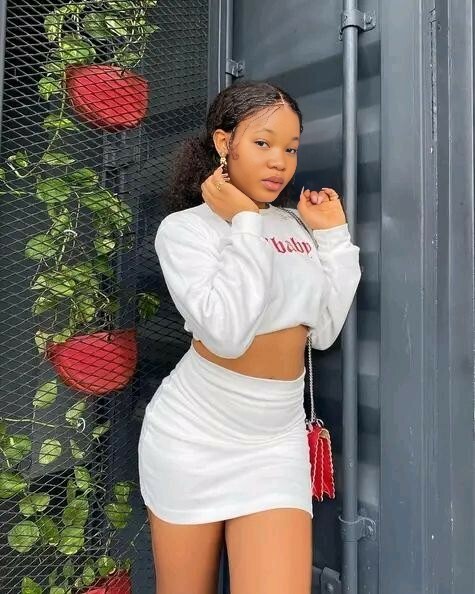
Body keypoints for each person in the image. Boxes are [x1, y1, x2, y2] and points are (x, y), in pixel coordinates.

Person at [138, 80, 361, 594]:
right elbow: (228, 334)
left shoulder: (294, 225)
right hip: (193, 438)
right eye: (263, 143)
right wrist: (244, 223)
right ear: (224, 143)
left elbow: (323, 332)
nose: (279, 161)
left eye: (291, 148)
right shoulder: (185, 230)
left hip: (275, 444)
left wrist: (331, 237)